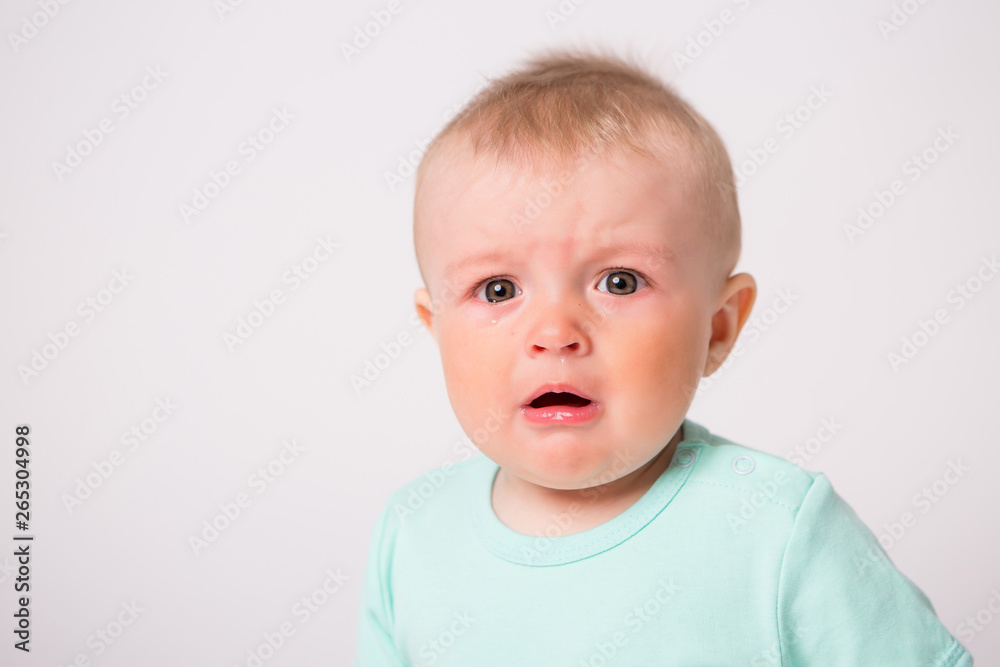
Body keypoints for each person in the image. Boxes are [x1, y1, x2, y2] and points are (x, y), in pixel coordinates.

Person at [354, 48, 973, 666]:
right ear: (437, 329)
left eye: (619, 282)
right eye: (497, 290)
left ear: (717, 327)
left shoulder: (777, 528)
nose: (555, 333)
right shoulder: (411, 534)